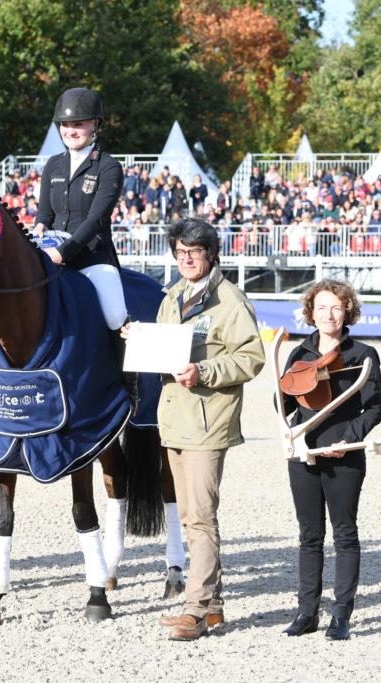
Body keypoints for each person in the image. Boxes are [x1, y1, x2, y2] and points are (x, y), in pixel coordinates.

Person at [126, 218, 264, 641]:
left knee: (202, 519)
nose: (186, 259)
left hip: (209, 420)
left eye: (194, 252)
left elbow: (252, 357)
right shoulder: (171, 297)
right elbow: (163, 349)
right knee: (189, 518)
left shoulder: (230, 300)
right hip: (175, 420)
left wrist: (205, 370)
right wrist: (138, 338)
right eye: (180, 252)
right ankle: (215, 605)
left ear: (211, 254)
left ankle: (195, 607)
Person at [279, 279, 381, 641]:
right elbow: (285, 406)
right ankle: (307, 612)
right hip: (303, 453)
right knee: (309, 536)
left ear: (347, 311)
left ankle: (341, 615)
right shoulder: (299, 354)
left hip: (344, 455)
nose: (329, 314)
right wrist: (289, 392)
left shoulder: (363, 354)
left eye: (336, 307)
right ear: (311, 312)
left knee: (344, 533)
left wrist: (348, 439)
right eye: (322, 307)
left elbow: (374, 409)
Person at [34, 87, 127, 331]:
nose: (70, 131)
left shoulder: (108, 167)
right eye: (64, 124)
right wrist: (40, 226)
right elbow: (45, 212)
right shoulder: (53, 165)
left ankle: (126, 371)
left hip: (92, 256)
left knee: (115, 317)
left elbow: (96, 219)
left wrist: (63, 253)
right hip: (52, 254)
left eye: (78, 124)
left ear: (95, 124)